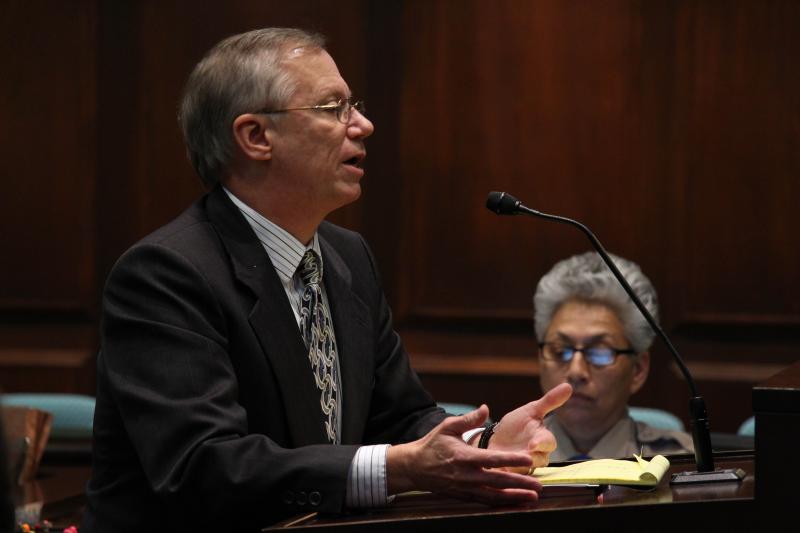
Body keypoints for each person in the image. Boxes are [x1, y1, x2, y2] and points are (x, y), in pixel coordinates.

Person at [83, 28, 572, 532]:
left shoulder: (346, 257)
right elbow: (203, 467)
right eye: (333, 107)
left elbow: (399, 416)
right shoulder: (166, 274)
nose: (363, 124)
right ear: (255, 137)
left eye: (352, 105)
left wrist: (485, 446)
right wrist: (393, 469)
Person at [534, 251, 693, 462]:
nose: (576, 371)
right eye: (561, 351)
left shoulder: (680, 463)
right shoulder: (504, 464)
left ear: (638, 371)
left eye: (600, 353)